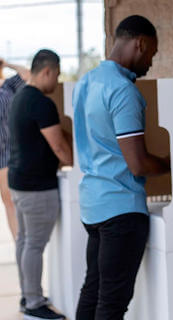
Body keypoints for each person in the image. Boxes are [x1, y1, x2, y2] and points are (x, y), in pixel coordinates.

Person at [73, 15, 170, 320]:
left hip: (92, 205)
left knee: (93, 292)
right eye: (151, 54)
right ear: (139, 43)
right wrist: (171, 162)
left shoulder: (85, 83)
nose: (151, 63)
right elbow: (138, 163)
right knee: (111, 305)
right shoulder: (123, 91)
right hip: (121, 210)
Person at [9, 49, 72, 320]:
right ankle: (34, 302)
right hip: (37, 187)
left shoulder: (19, 96)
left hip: (19, 181)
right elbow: (59, 146)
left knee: (25, 241)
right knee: (33, 244)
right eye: (56, 75)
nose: (56, 83)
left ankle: (28, 295)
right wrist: (73, 162)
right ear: (46, 70)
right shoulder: (41, 103)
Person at [0, 58, 30, 241]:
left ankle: (20, 243)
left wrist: (7, 63)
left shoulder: (8, 86)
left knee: (12, 202)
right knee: (9, 202)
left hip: (10, 153)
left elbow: (27, 75)